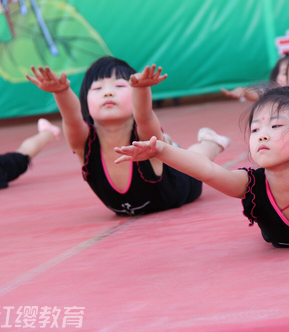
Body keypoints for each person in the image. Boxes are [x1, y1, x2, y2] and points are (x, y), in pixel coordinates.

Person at [115, 85, 289, 248]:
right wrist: (161, 149)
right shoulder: (249, 184)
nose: (261, 135)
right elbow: (206, 170)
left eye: (275, 127)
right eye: (255, 129)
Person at [26, 56, 230, 216]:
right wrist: (61, 92)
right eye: (97, 88)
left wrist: (141, 89)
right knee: (166, 146)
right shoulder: (83, 141)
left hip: (177, 189)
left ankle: (211, 142)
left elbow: (144, 115)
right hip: (136, 195)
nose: (108, 93)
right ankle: (171, 145)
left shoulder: (143, 132)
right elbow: (71, 118)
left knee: (197, 159)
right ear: (85, 100)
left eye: (120, 86)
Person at [221, 53, 289, 102]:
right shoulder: (275, 94)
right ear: (275, 77)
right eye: (285, 73)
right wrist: (244, 91)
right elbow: (258, 94)